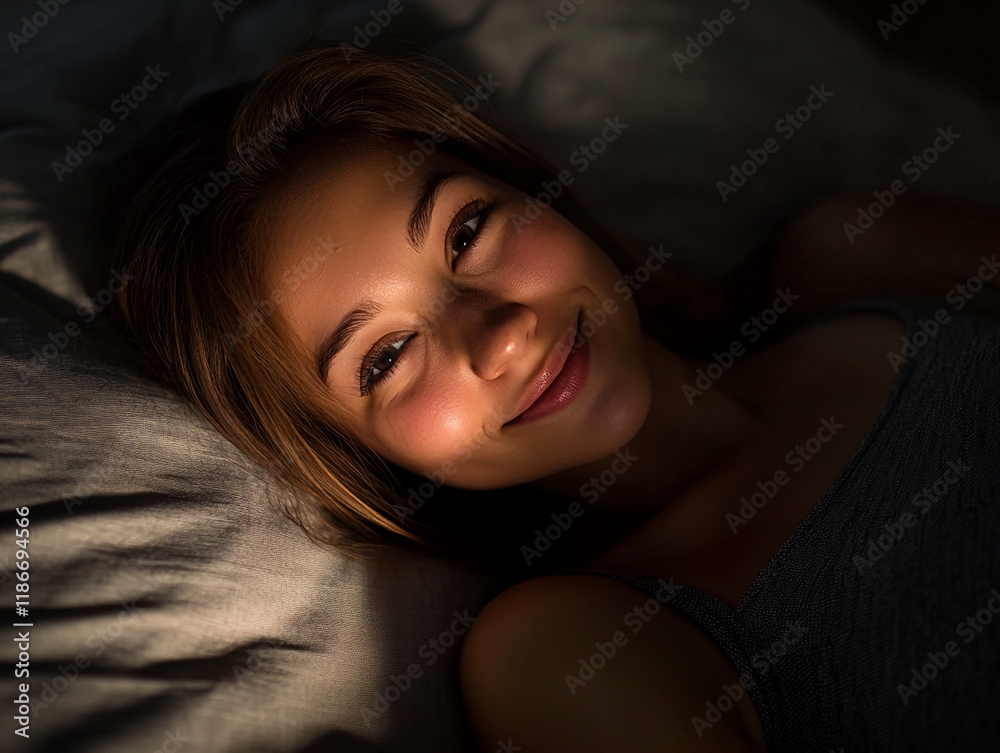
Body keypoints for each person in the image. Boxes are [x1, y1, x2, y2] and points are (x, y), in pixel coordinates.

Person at [109, 42, 1000, 751]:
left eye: (467, 230)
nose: (497, 334)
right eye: (383, 359)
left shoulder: (853, 259)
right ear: (353, 455)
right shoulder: (566, 650)